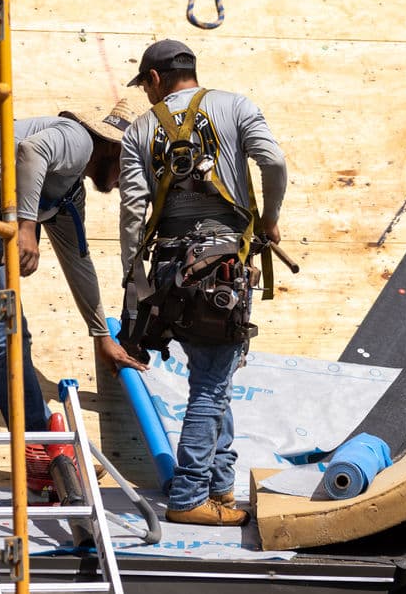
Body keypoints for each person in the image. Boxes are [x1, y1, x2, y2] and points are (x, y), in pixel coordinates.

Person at [0, 95, 147, 479]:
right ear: (113, 149)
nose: (120, 183)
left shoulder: (67, 191)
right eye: (126, 168)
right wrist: (27, 226)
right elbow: (31, 151)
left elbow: (79, 265)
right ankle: (45, 451)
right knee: (9, 336)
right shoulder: (78, 140)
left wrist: (100, 335)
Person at [119, 40, 287, 526]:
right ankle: (190, 496)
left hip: (171, 271)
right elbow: (273, 162)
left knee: (213, 378)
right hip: (224, 270)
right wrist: (269, 218)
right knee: (212, 384)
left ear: (153, 79)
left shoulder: (139, 131)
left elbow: (133, 213)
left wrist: (133, 281)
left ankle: (220, 489)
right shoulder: (235, 105)